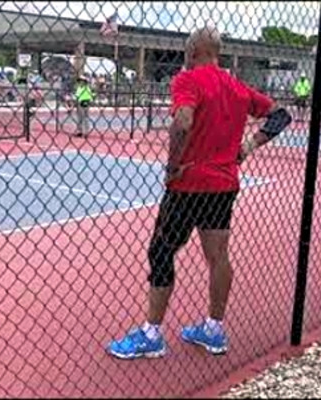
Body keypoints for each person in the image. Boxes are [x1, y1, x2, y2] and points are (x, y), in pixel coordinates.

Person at [107, 25, 291, 359]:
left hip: (188, 184)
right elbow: (281, 115)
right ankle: (214, 329)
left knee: (161, 252)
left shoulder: (187, 80)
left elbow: (183, 122)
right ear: (217, 52)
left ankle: (152, 334)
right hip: (223, 186)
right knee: (218, 256)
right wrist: (248, 145)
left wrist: (172, 165)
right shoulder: (237, 86)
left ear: (192, 52)